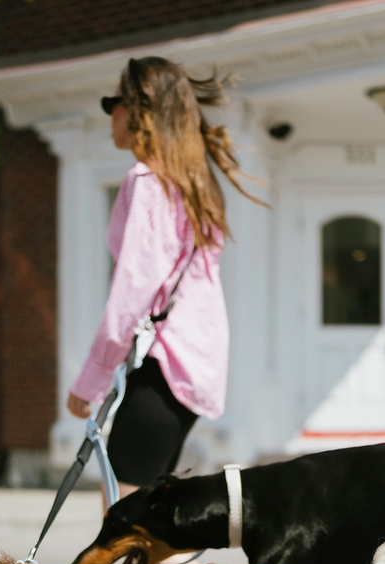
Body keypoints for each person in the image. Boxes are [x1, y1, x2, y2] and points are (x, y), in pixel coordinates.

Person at [67, 55, 258, 507]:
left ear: (138, 111)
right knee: (150, 516)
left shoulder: (148, 182)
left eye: (114, 101)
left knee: (126, 513)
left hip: (166, 364)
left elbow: (133, 288)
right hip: (193, 365)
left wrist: (91, 378)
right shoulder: (191, 185)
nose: (109, 113)